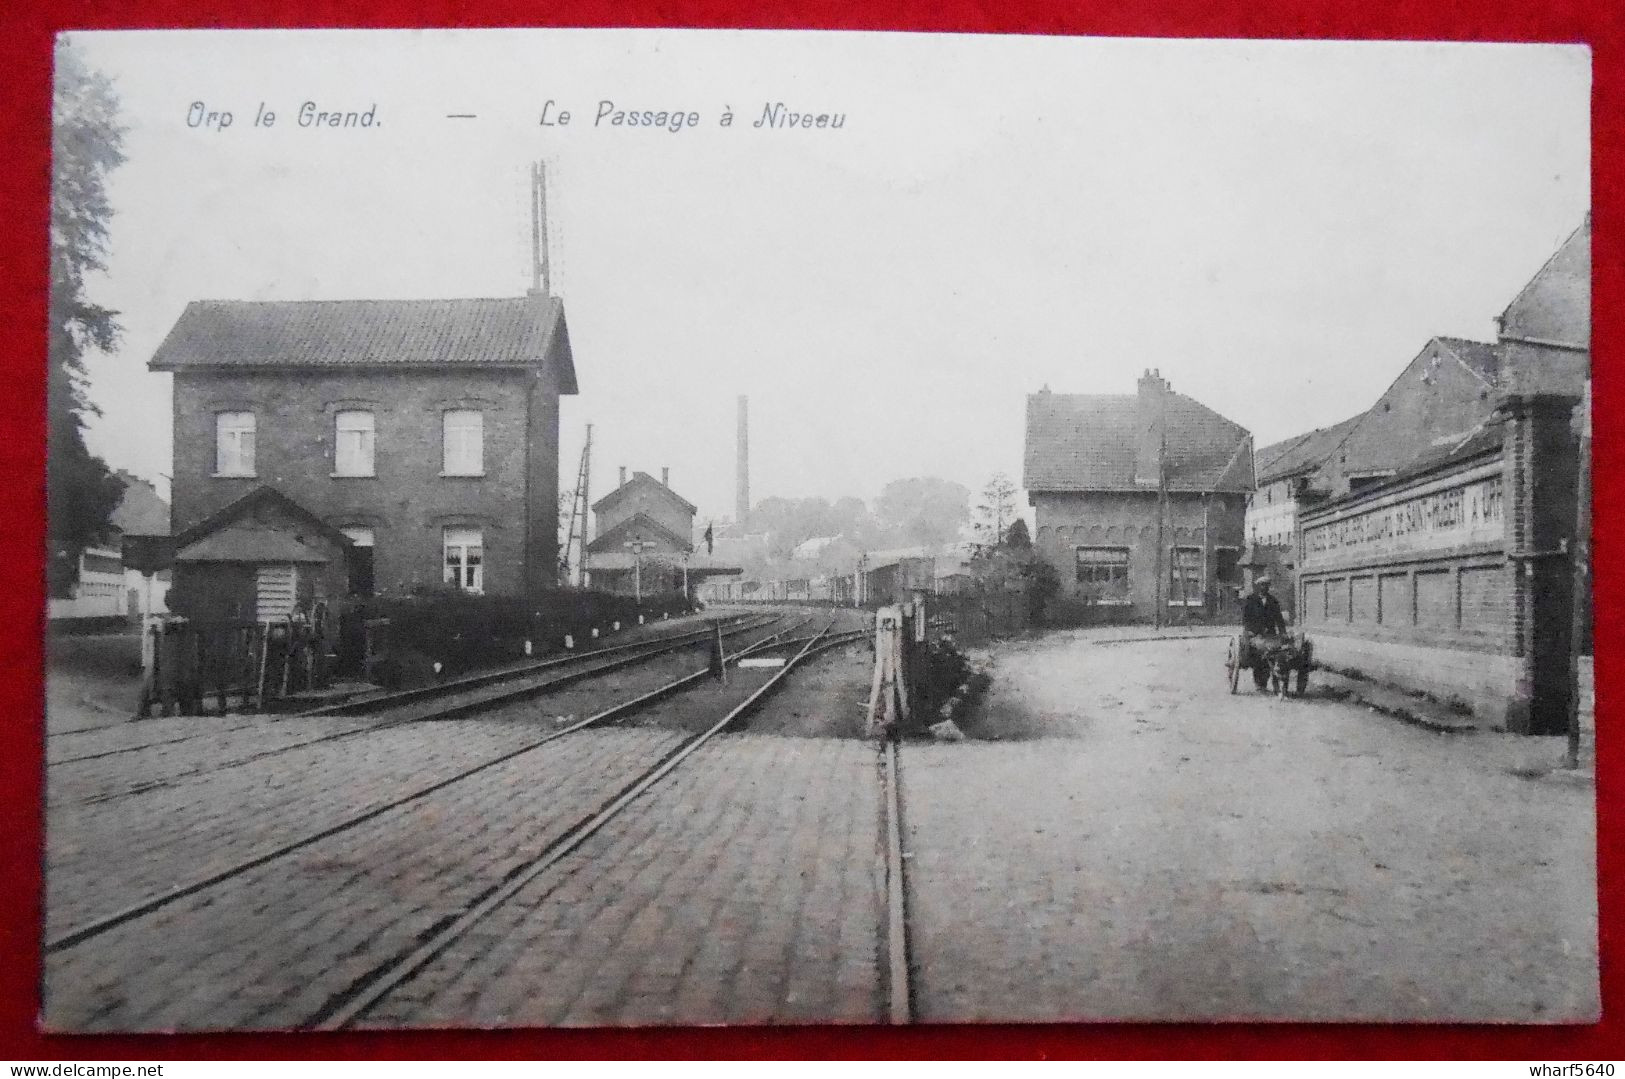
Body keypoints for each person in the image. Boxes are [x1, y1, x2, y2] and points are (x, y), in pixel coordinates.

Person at [1241, 577, 1287, 689]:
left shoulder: (1273, 601)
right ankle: (1259, 682)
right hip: (1255, 634)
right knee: (1259, 654)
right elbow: (1245, 619)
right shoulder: (1250, 600)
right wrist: (1254, 630)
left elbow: (1279, 619)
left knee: (1275, 653)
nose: (1264, 587)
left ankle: (1273, 682)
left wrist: (1283, 632)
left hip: (1270, 635)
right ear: (1258, 586)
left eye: (1266, 585)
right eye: (1262, 585)